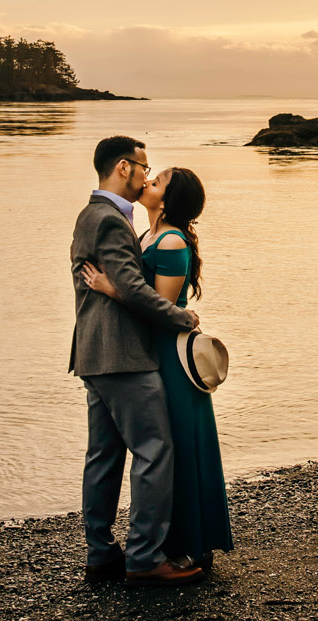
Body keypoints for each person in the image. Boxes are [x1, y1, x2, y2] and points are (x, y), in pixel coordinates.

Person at [82, 165, 232, 571]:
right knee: (162, 450)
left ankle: (183, 543)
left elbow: (164, 312)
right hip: (147, 353)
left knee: (175, 448)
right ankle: (159, 544)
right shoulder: (147, 234)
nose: (148, 181)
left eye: (158, 180)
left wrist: (111, 288)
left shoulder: (169, 242)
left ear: (165, 201)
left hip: (169, 356)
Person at [70, 135, 204, 587]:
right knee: (153, 451)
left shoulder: (99, 214)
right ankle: (145, 558)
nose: (147, 175)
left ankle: (101, 553)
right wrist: (182, 317)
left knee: (104, 457)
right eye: (145, 168)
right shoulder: (108, 219)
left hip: (95, 354)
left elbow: (121, 285)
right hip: (123, 354)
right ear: (124, 168)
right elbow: (130, 287)